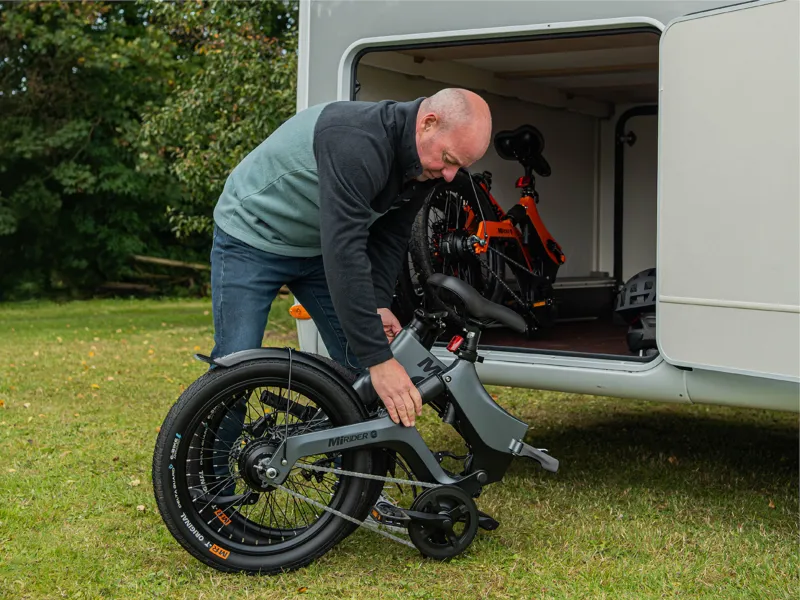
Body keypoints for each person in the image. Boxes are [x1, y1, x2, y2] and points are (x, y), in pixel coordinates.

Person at [210, 89, 493, 426]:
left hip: (317, 246)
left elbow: (391, 236)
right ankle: (206, 478)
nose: (450, 175)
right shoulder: (356, 141)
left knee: (360, 368)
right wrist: (379, 360)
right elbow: (345, 251)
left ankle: (354, 470)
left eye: (460, 166)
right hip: (251, 238)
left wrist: (377, 303)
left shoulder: (423, 167)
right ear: (428, 124)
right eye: (449, 160)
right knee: (234, 369)